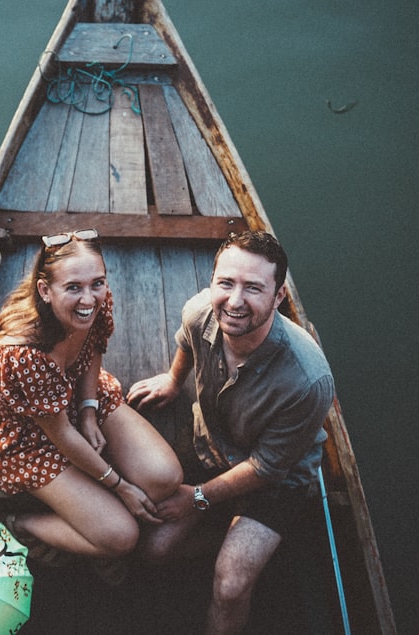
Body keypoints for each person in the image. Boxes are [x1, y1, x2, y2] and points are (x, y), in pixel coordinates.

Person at [127, 230, 334, 634]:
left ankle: (244, 539)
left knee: (232, 584)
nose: (235, 301)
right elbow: (187, 341)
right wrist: (173, 380)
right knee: (155, 551)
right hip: (211, 448)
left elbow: (267, 468)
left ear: (278, 298)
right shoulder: (200, 311)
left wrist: (198, 498)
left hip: (275, 482)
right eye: (226, 283)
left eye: (253, 288)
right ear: (213, 282)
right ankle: (229, 531)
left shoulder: (308, 380)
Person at [0, 228, 182, 562]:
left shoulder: (94, 301)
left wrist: (87, 409)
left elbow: (93, 347)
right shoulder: (24, 355)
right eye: (73, 288)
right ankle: (21, 524)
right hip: (32, 436)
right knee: (121, 537)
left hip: (76, 395)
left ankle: (94, 484)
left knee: (166, 478)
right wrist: (119, 486)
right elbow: (61, 434)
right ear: (45, 290)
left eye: (97, 283)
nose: (89, 299)